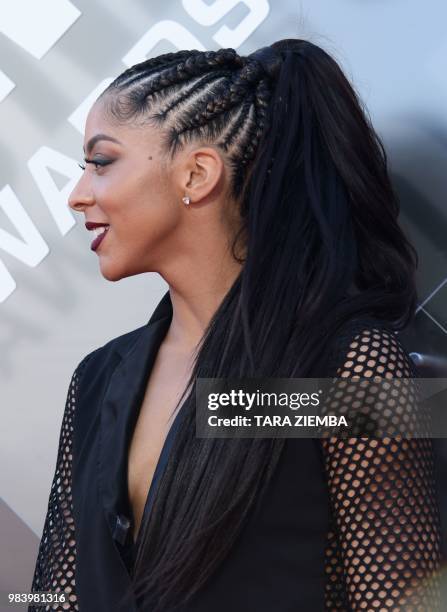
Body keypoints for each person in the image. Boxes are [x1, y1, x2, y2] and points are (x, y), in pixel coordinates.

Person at [29, 39, 444, 611]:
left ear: (196, 174)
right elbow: (56, 594)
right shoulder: (99, 380)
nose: (78, 196)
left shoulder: (342, 365)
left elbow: (399, 599)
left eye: (101, 162)